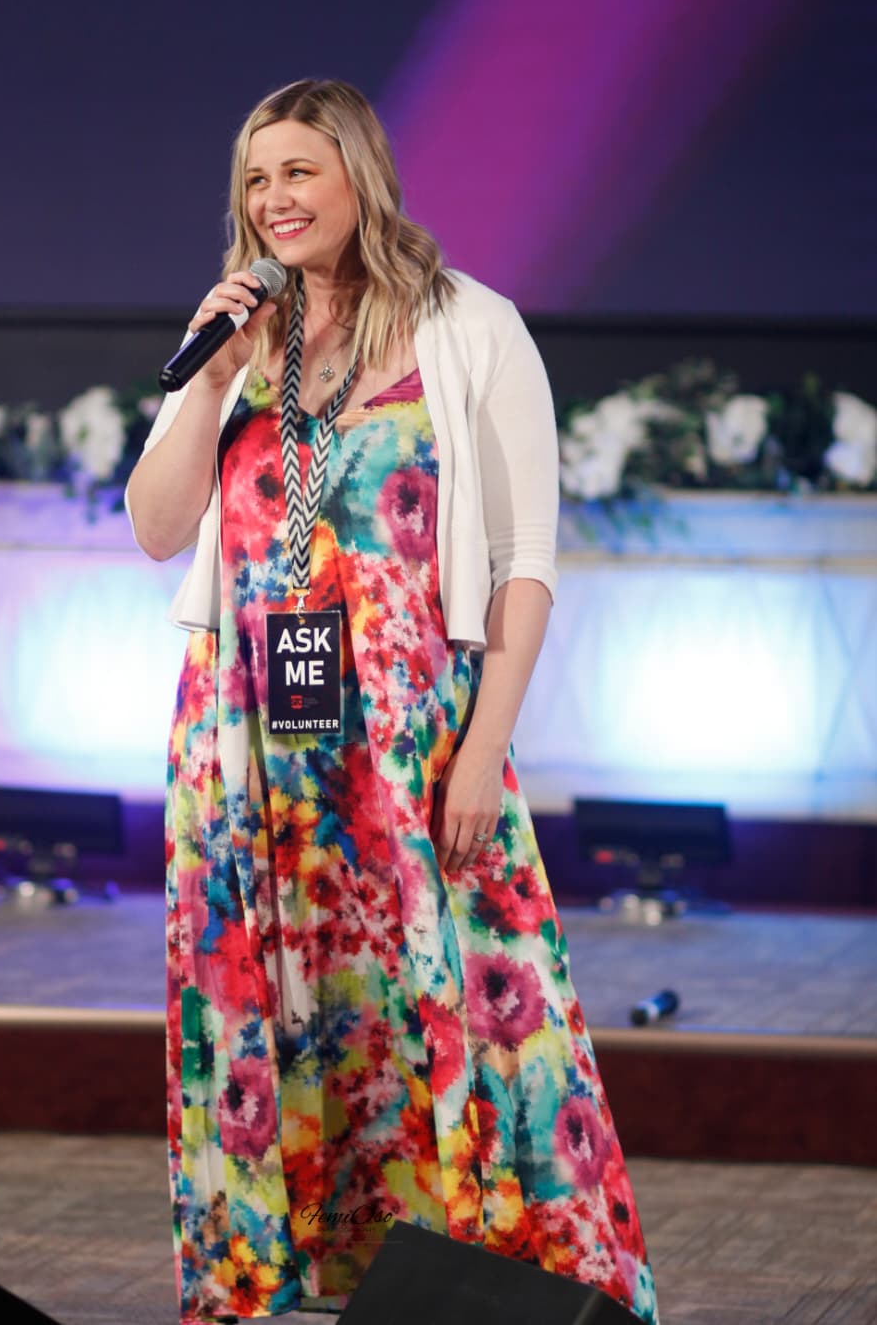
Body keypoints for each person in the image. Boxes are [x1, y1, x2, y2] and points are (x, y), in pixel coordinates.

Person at [126, 79, 658, 1325]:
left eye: (299, 171)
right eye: (256, 179)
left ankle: (506, 1282)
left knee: (463, 1002)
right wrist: (207, 380)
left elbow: (524, 562)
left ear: (359, 176)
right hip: (251, 744)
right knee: (278, 1006)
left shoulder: (471, 327)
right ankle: (293, 1271)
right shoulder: (240, 339)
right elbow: (156, 528)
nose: (274, 199)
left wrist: (483, 752)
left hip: (413, 740)